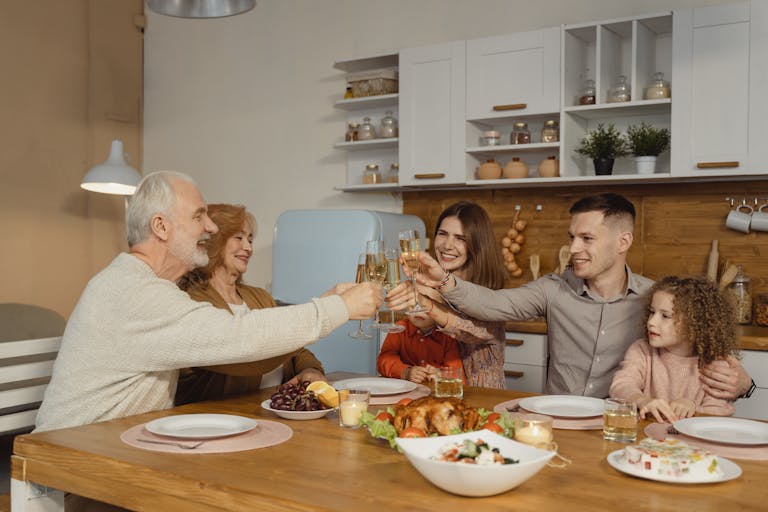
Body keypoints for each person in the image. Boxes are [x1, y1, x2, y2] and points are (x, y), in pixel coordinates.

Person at [35, 171, 381, 433]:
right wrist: (338, 308)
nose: (212, 227)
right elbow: (237, 337)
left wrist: (327, 302)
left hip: (112, 448)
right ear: (161, 227)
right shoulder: (134, 292)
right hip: (72, 464)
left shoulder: (146, 286)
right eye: (199, 216)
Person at [405, 193, 752, 399]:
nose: (573, 248)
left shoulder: (654, 300)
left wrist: (745, 384)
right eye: (572, 237)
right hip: (557, 421)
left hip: (622, 425)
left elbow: (701, 354)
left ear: (623, 242)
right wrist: (445, 280)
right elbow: (493, 304)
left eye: (586, 239)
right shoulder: (553, 288)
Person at [175, 204, 326, 405]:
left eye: (250, 239)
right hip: (219, 419)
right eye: (239, 237)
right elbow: (245, 354)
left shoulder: (260, 296)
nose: (248, 247)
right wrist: (326, 310)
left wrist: (311, 370)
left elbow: (294, 348)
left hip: (272, 412)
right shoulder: (192, 301)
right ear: (214, 241)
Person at [389, 201, 508, 388]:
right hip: (438, 398)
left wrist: (427, 303)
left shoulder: (492, 295)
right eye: (443, 234)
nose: (447, 245)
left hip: (482, 400)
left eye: (461, 238)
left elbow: (470, 330)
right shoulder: (429, 284)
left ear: (477, 244)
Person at [610, 276, 739, 422]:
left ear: (695, 324)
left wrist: (692, 407)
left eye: (665, 316)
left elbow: (717, 415)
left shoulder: (716, 365)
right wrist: (641, 400)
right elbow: (621, 385)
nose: (651, 322)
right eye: (652, 312)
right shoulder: (641, 350)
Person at [376, 313, 463, 384]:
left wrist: (440, 374)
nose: (418, 310)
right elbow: (384, 360)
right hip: (404, 391)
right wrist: (405, 372)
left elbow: (457, 371)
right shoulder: (398, 329)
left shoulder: (449, 334)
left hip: (436, 393)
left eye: (424, 306)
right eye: (412, 304)